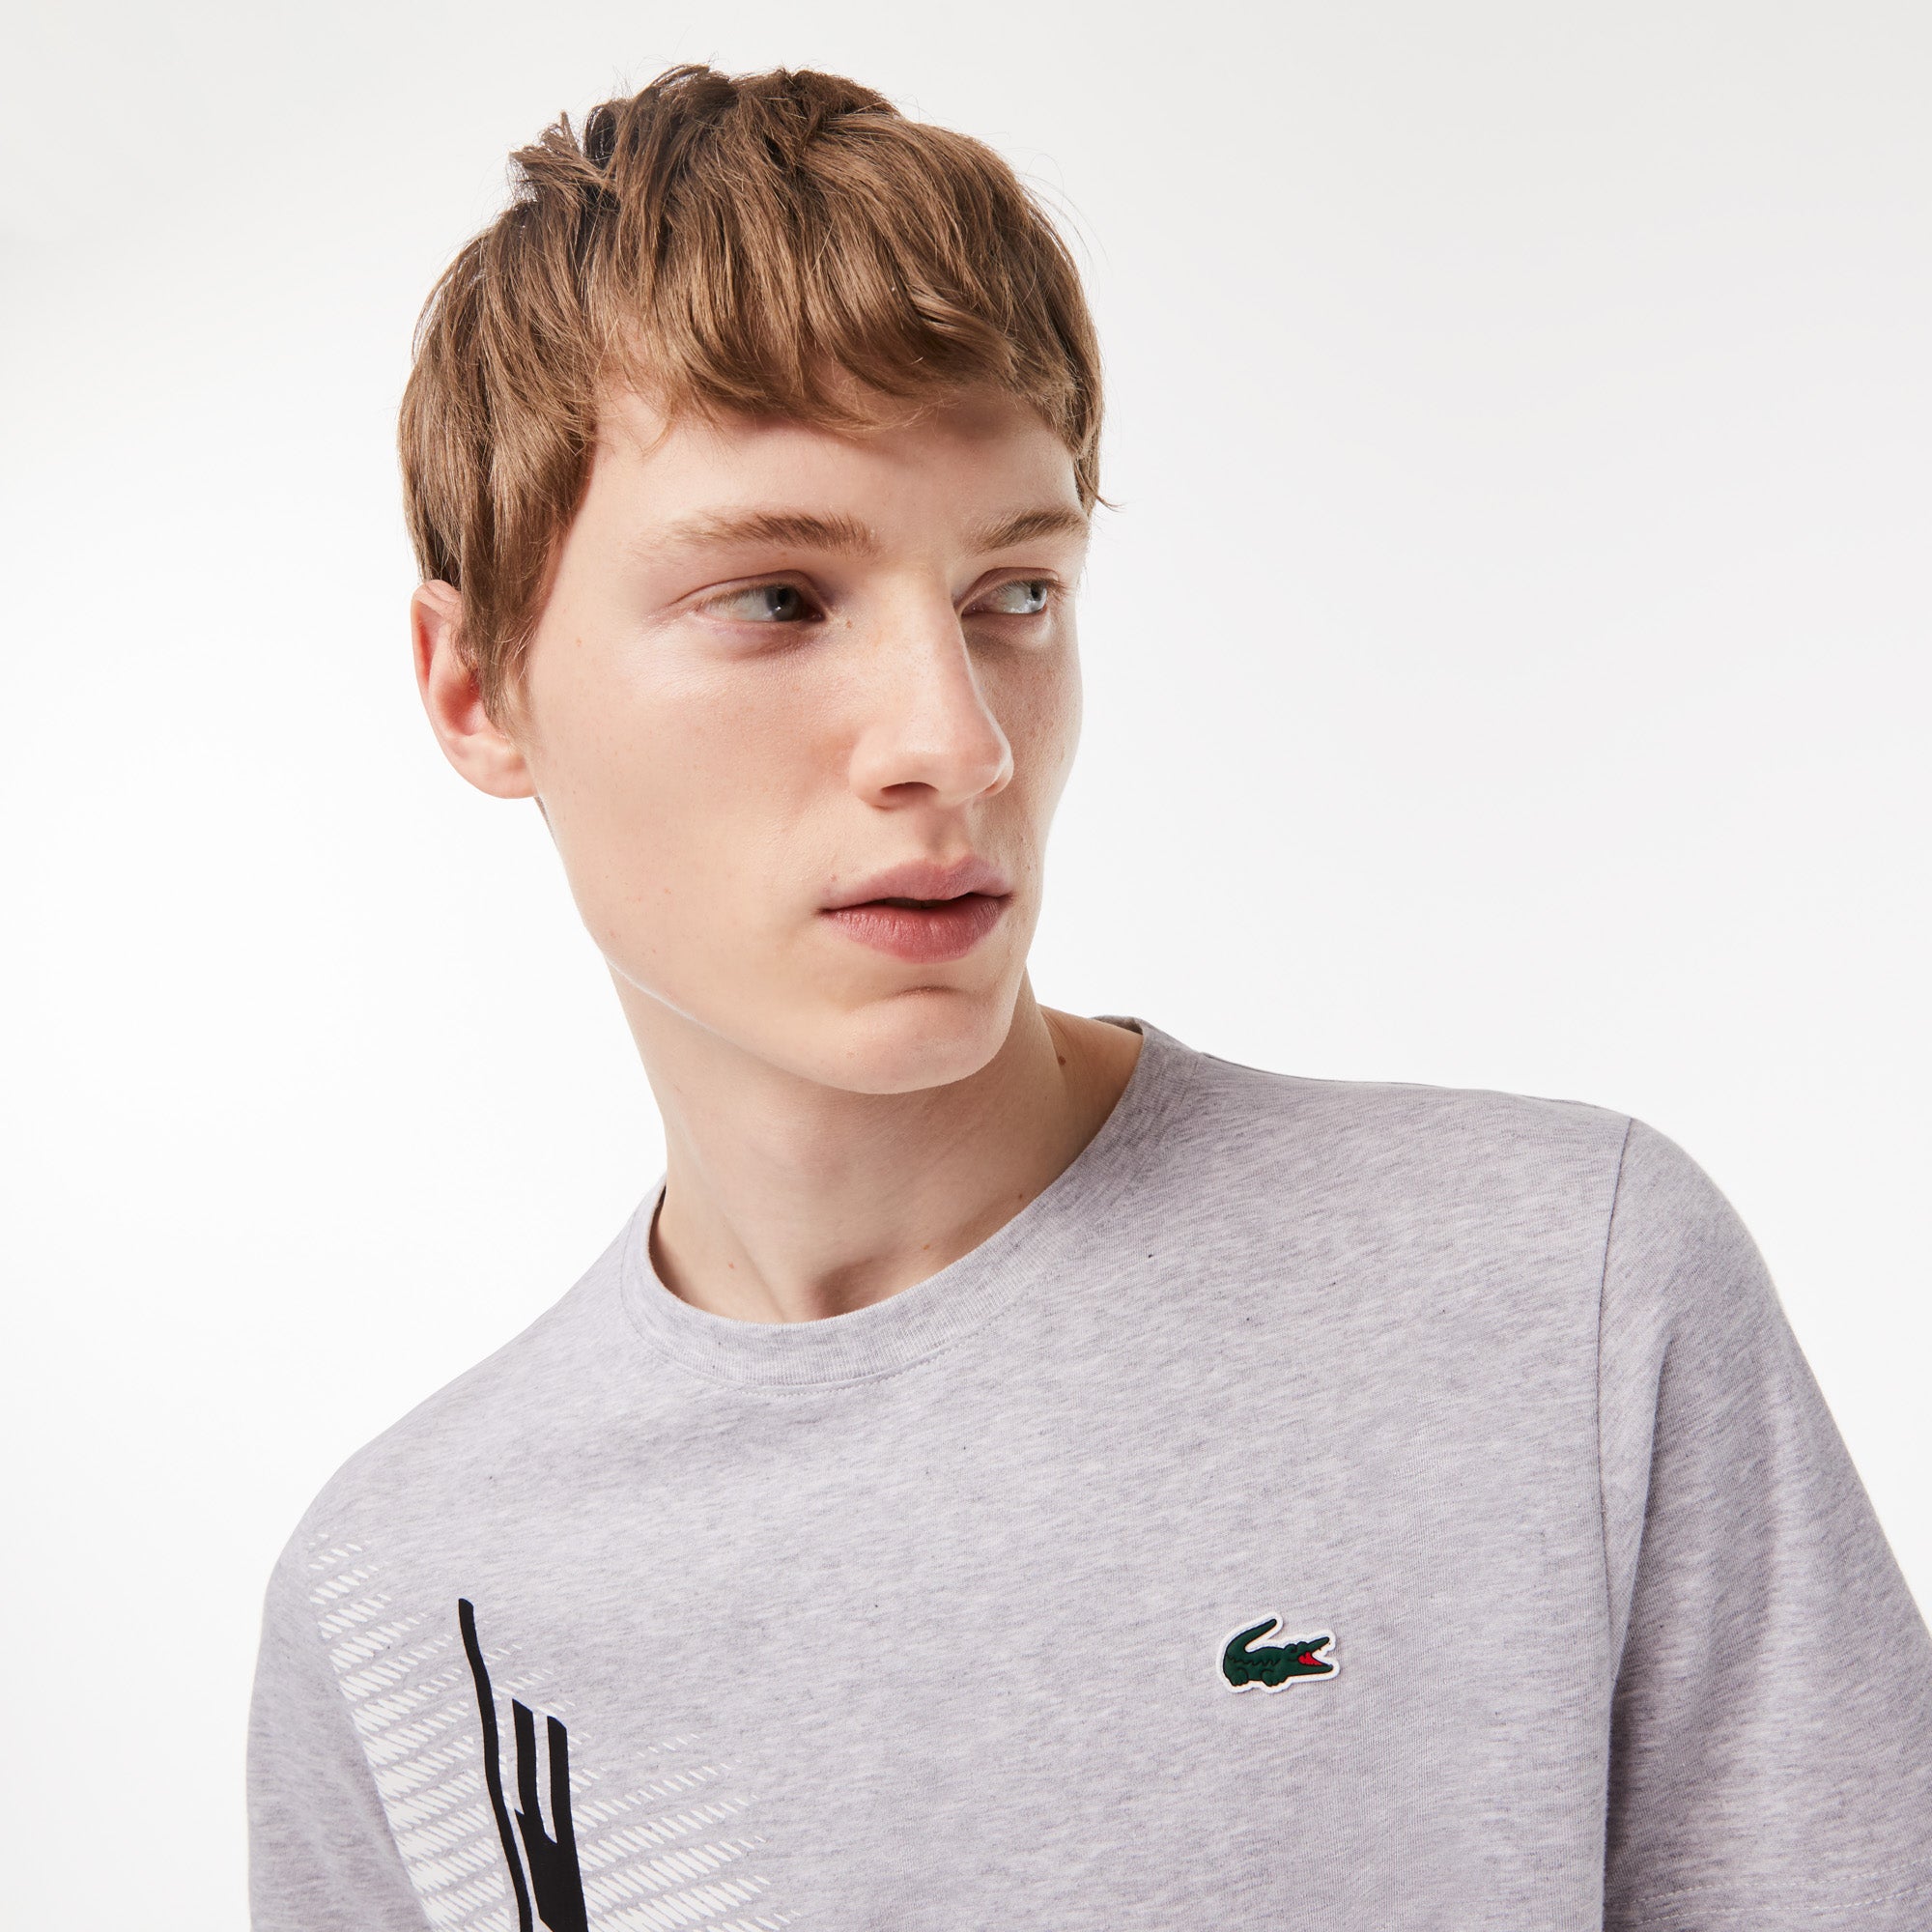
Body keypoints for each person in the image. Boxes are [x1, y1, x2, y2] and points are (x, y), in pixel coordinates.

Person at [245, 63, 1932, 1931]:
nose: (957, 741)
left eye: (1015, 593)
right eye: (780, 598)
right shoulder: (410, 1608)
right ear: (475, 685)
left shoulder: (1564, 1297)